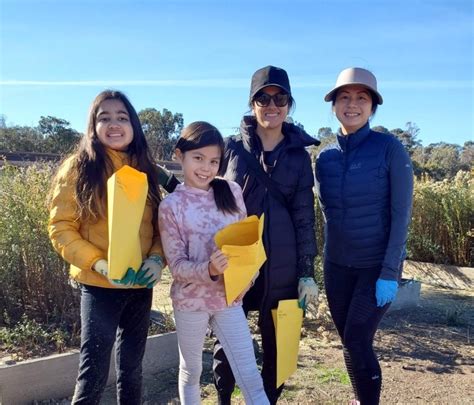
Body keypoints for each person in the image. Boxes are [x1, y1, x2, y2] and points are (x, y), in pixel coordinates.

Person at [48, 90, 165, 404]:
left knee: (132, 369)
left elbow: (160, 228)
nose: (114, 124)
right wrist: (98, 264)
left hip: (139, 285)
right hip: (99, 285)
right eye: (105, 118)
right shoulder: (79, 167)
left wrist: (156, 259)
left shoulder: (147, 170)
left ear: (134, 126)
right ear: (93, 126)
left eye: (122, 117)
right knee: (94, 371)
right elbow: (61, 228)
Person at [213, 65, 320, 404]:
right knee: (228, 340)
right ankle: (223, 398)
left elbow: (305, 215)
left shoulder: (300, 157)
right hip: (237, 262)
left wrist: (307, 273)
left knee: (281, 347)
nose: (271, 105)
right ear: (252, 102)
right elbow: (207, 198)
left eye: (280, 97)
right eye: (263, 97)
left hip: (284, 265)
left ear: (289, 104)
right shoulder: (229, 149)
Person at [315, 67, 414, 405]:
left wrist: (390, 271)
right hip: (337, 266)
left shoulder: (390, 150)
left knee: (357, 339)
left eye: (361, 97)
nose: (352, 104)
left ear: (373, 106)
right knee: (348, 340)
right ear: (333, 105)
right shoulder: (324, 157)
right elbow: (325, 212)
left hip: (376, 267)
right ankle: (360, 398)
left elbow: (402, 215)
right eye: (344, 97)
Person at [158, 121, 269, 405]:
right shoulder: (171, 206)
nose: (206, 168)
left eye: (213, 161)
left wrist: (248, 276)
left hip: (229, 300)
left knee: (249, 375)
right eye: (198, 158)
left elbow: (248, 242)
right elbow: (177, 265)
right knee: (192, 371)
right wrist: (208, 269)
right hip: (190, 303)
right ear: (178, 154)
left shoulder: (230, 191)